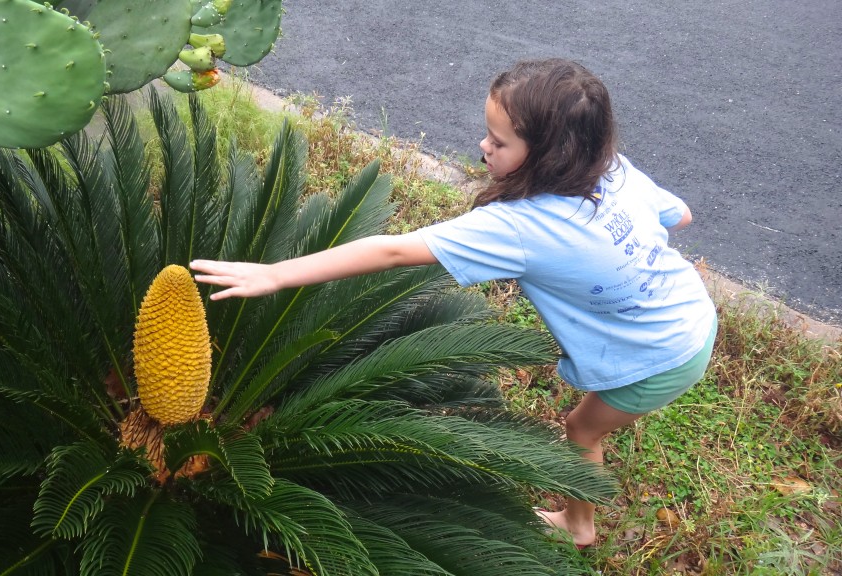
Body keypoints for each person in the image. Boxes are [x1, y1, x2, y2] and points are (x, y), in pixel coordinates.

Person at [190, 57, 717, 549]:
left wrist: (277, 273)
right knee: (587, 419)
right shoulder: (610, 167)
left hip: (662, 355)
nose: (484, 147)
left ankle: (578, 525)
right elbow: (682, 216)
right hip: (693, 312)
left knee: (581, 429)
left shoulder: (520, 227)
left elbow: (394, 250)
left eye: (499, 141)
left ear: (552, 154)